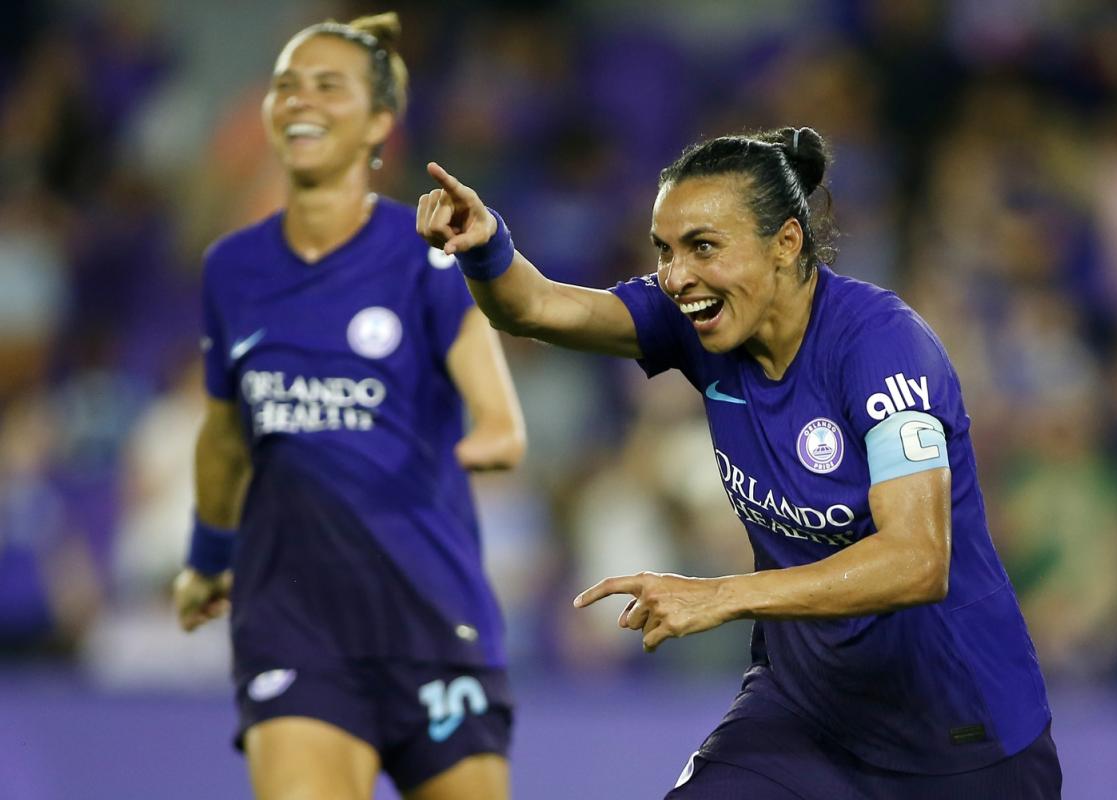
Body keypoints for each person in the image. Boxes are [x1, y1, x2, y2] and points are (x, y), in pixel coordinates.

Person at [416, 127, 1062, 798]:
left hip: (962, 733)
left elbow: (917, 560)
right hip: (808, 716)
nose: (676, 276)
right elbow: (537, 306)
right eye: (663, 250)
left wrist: (719, 595)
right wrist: (485, 246)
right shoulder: (698, 322)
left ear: (785, 243)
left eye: (703, 247)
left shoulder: (882, 347)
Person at [172, 13, 525, 800]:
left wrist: (475, 450)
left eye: (328, 86)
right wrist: (205, 557)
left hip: (429, 609)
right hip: (292, 614)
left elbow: (501, 423)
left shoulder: (430, 257)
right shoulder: (231, 269)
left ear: (378, 124)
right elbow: (226, 434)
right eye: (286, 85)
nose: (301, 100)